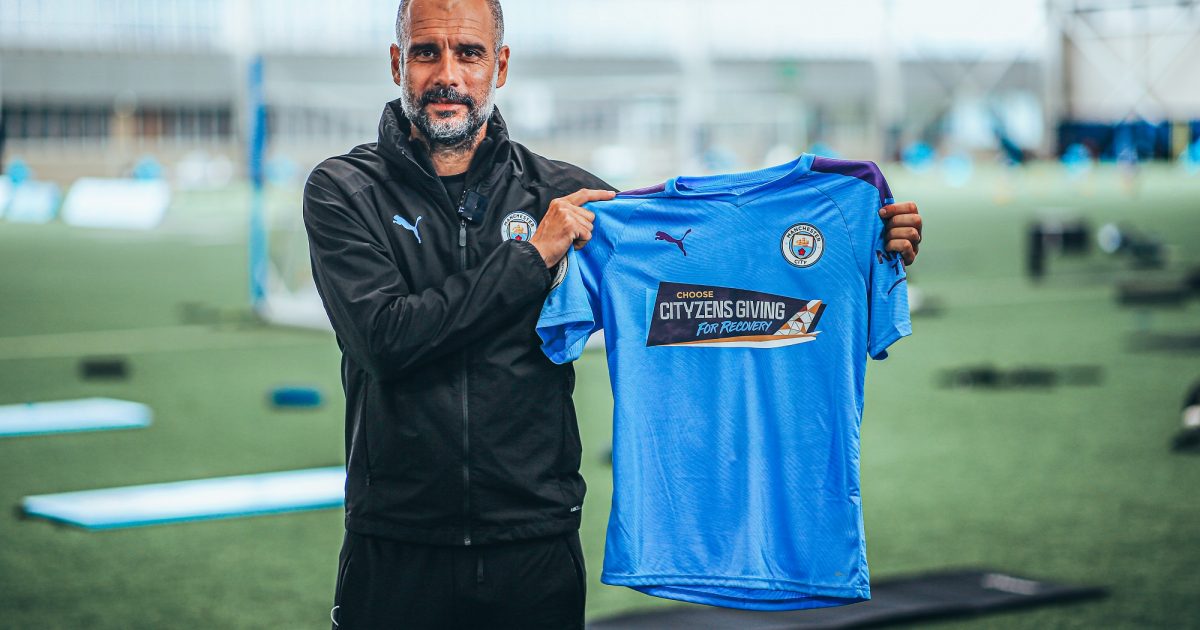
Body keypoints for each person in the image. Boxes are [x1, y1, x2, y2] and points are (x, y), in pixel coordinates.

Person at [303, 1, 923, 628]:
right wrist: (533, 257)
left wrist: (853, 253)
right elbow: (384, 339)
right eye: (425, 52)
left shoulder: (566, 196)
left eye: (469, 53)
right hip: (395, 541)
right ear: (397, 62)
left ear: (501, 65)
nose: (447, 75)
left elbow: (692, 298)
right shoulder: (343, 189)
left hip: (534, 542)